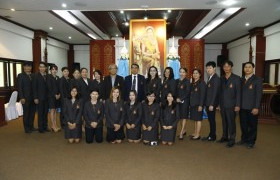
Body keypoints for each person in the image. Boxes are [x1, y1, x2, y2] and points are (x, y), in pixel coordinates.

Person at [238, 62, 263, 149]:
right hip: (242, 107)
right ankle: (244, 139)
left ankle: (251, 141)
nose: (247, 69)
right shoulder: (241, 79)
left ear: (253, 68)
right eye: (245, 67)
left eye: (249, 67)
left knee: (252, 125)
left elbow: (258, 95)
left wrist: (256, 107)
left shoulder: (258, 79)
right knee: (243, 124)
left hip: (252, 107)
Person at [218, 60, 241, 148]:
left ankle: (232, 139)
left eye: (228, 66)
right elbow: (220, 93)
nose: (226, 68)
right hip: (223, 105)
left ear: (231, 67)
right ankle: (224, 137)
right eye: (224, 67)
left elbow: (238, 93)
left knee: (231, 122)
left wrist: (238, 105)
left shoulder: (236, 78)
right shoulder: (222, 78)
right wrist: (219, 104)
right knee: (224, 121)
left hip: (232, 105)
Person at [201, 61, 220, 142]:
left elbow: (215, 92)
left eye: (210, 68)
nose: (208, 70)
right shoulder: (210, 77)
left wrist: (212, 104)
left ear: (214, 68)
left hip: (211, 104)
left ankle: (213, 136)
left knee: (212, 120)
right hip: (208, 103)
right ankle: (211, 135)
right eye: (207, 68)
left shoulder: (216, 78)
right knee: (210, 120)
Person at [17, 62, 36, 133]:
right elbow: (20, 87)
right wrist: (22, 97)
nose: (28, 68)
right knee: (26, 113)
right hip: (25, 98)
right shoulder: (21, 75)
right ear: (23, 67)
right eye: (26, 66)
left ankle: (31, 126)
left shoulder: (33, 75)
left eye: (29, 66)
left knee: (32, 113)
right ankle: (26, 128)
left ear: (31, 67)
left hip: (33, 98)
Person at [189, 69, 206, 140]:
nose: (195, 74)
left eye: (197, 73)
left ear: (200, 74)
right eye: (194, 73)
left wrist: (201, 105)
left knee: (198, 119)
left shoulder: (201, 83)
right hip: (193, 104)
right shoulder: (193, 83)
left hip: (198, 104)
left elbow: (203, 95)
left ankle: (198, 135)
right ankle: (195, 132)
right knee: (195, 119)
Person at [33, 62, 49, 133]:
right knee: (40, 113)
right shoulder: (36, 76)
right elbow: (34, 88)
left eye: (43, 67)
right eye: (41, 67)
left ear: (45, 68)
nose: (42, 68)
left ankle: (45, 126)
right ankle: (41, 128)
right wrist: (35, 97)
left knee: (45, 113)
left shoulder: (48, 76)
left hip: (47, 98)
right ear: (39, 68)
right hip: (39, 98)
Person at [176, 68, 191, 140]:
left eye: (183, 72)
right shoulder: (177, 81)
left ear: (186, 73)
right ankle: (184, 130)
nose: (182, 74)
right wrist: (176, 98)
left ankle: (181, 132)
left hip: (185, 101)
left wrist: (181, 99)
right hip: (177, 101)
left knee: (184, 116)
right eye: (180, 72)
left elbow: (188, 92)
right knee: (179, 116)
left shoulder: (187, 81)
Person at [47, 64, 61, 132]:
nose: (54, 71)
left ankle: (55, 125)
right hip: (51, 97)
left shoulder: (58, 77)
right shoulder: (48, 77)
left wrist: (59, 94)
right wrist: (54, 95)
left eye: (55, 69)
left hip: (57, 97)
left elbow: (59, 87)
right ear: (50, 70)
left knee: (55, 111)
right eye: (52, 69)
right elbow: (49, 88)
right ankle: (53, 125)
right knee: (52, 110)